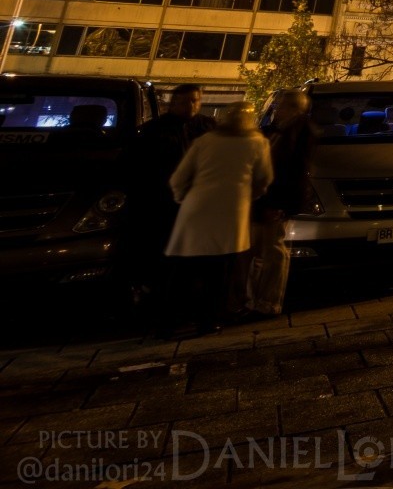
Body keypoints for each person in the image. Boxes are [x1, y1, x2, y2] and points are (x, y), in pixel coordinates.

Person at [164, 103, 271, 336]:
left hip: (196, 209)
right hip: (232, 211)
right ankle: (209, 319)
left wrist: (183, 197)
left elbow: (179, 178)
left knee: (185, 269)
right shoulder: (257, 143)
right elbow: (263, 179)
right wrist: (249, 195)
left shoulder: (205, 141)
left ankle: (172, 321)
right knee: (220, 271)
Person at [117, 85, 212, 313]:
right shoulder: (154, 131)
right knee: (164, 254)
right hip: (162, 203)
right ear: (173, 103)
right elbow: (135, 169)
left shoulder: (208, 128)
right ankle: (161, 299)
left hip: (198, 203)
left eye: (196, 101)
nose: (192, 106)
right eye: (187, 101)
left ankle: (188, 299)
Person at [245, 90, 314, 320]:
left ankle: (267, 302)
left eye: (281, 105)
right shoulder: (280, 131)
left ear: (294, 108)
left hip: (275, 202)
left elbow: (293, 174)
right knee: (260, 250)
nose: (276, 109)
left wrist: (281, 204)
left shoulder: (297, 133)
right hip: (267, 200)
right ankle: (255, 299)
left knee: (272, 251)